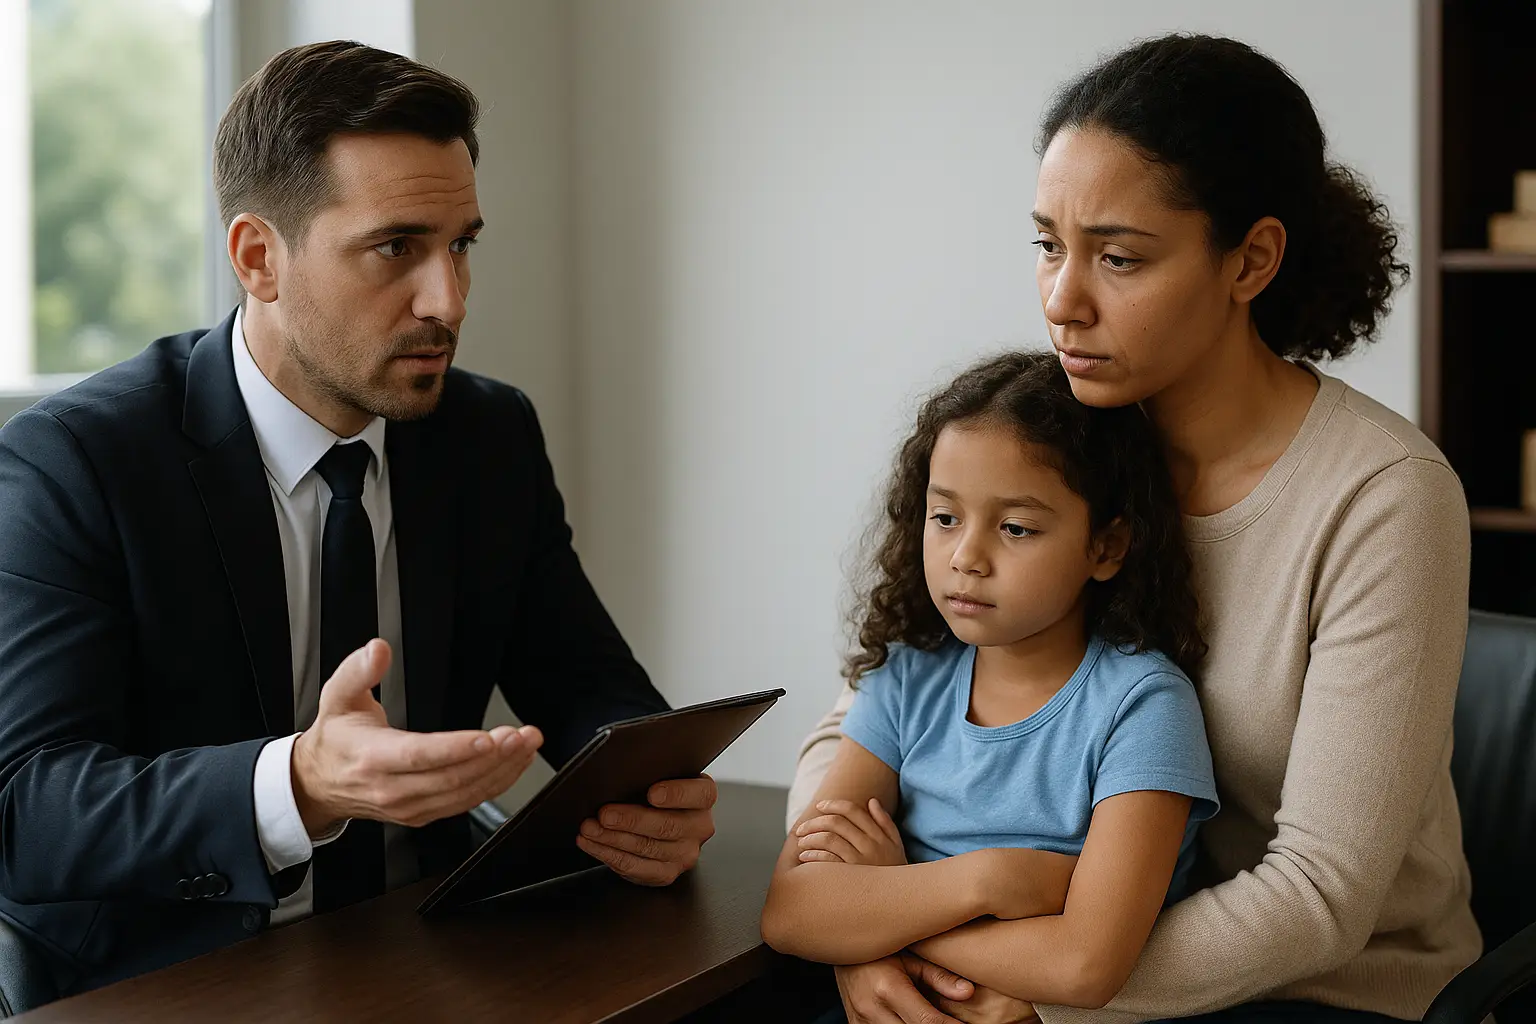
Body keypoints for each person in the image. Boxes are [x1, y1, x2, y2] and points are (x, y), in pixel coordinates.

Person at [789, 33, 1479, 1024]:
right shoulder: (1063, 438)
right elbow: (869, 706)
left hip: (1316, 991)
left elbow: (1320, 898)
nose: (1062, 302)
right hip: (1043, 952)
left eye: (1117, 258)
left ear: (1252, 260)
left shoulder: (1385, 497)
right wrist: (859, 927)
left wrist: (1016, 978)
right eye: (1046, 245)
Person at [0, 40, 715, 997]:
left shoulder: (487, 433)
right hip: (182, 975)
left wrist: (652, 794)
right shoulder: (77, 463)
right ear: (259, 257)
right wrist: (299, 783)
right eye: (397, 248)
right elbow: (26, 814)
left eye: (461, 244)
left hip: (430, 936)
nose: (447, 300)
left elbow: (588, 686)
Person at [761, 350, 1220, 1016]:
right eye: (944, 517)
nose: (966, 558)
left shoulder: (1143, 706)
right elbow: (791, 910)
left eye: (1015, 528)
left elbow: (1085, 965)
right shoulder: (906, 676)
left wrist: (889, 905)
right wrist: (990, 881)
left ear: (1106, 547)